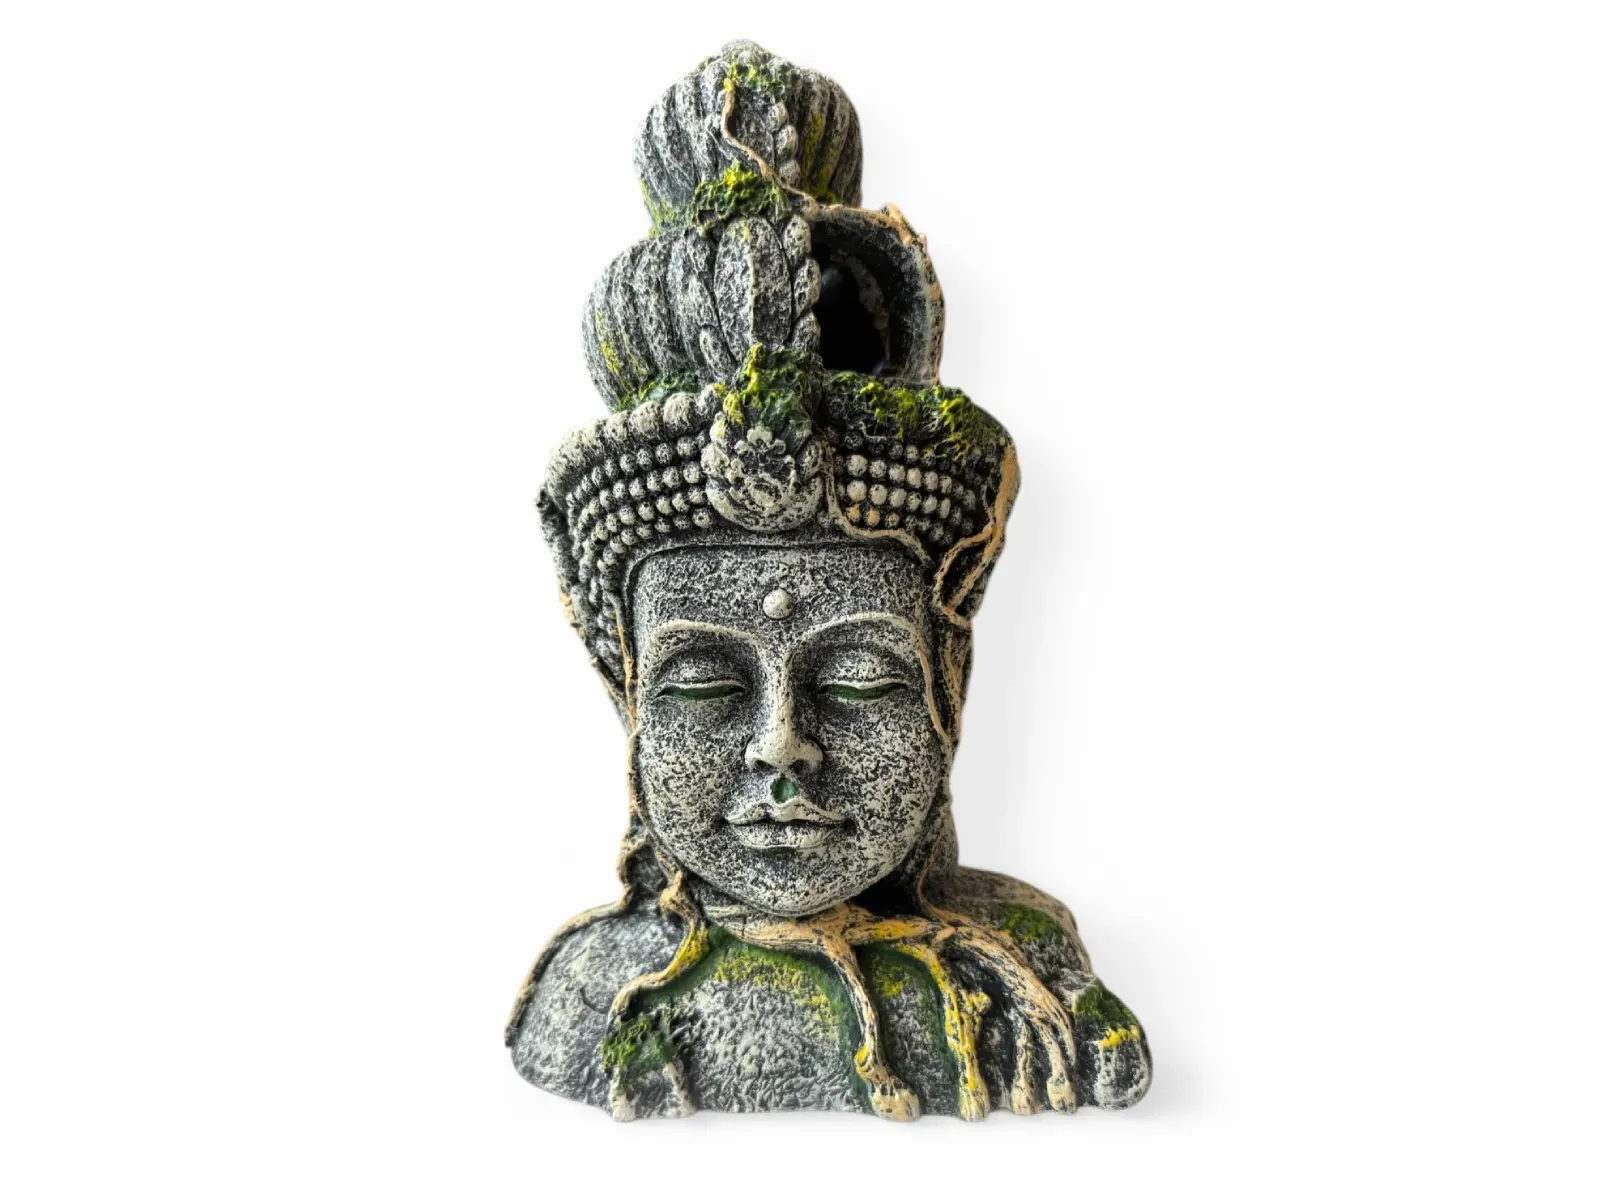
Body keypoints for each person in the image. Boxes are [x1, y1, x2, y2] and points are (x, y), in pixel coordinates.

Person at [504, 42, 1150, 1121]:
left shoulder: (1024, 984)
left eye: (857, 678)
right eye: (702, 685)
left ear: (946, 680)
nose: (782, 746)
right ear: (627, 695)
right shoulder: (595, 998)